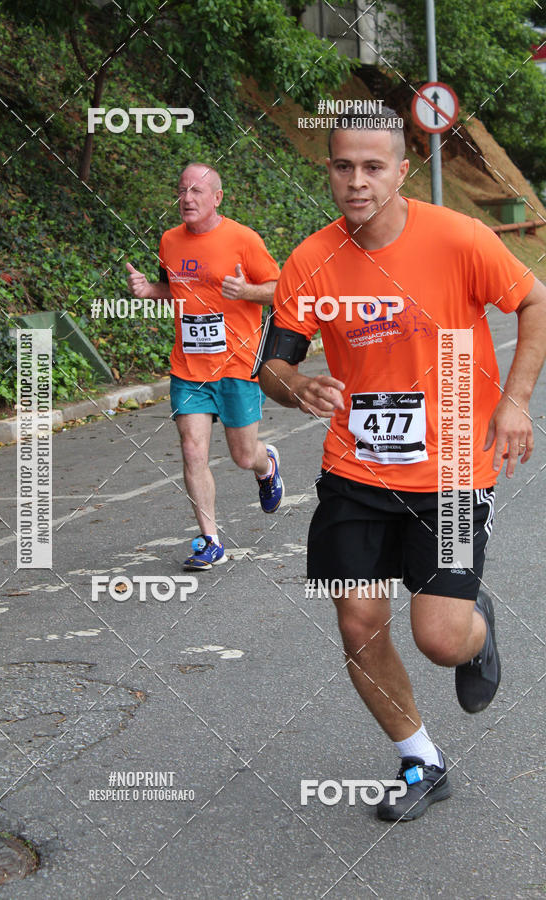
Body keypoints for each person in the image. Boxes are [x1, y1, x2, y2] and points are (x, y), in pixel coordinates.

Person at [257, 111, 546, 821]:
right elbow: (274, 363)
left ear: (402, 170)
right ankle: (421, 759)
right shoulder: (309, 261)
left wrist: (514, 402)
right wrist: (296, 387)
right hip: (357, 470)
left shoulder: (459, 238)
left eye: (373, 167)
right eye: (342, 166)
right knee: (359, 620)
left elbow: (534, 299)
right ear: (327, 169)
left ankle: (474, 629)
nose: (357, 181)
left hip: (450, 474)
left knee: (440, 639)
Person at [127, 163, 283, 570]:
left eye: (197, 191)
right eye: (182, 191)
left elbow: (280, 289)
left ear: (217, 197)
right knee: (192, 448)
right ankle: (210, 539)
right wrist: (149, 290)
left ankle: (266, 464)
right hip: (189, 367)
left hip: (236, 363)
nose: (187, 199)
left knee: (242, 456)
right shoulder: (169, 241)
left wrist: (246, 290)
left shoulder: (243, 239)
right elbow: (173, 289)